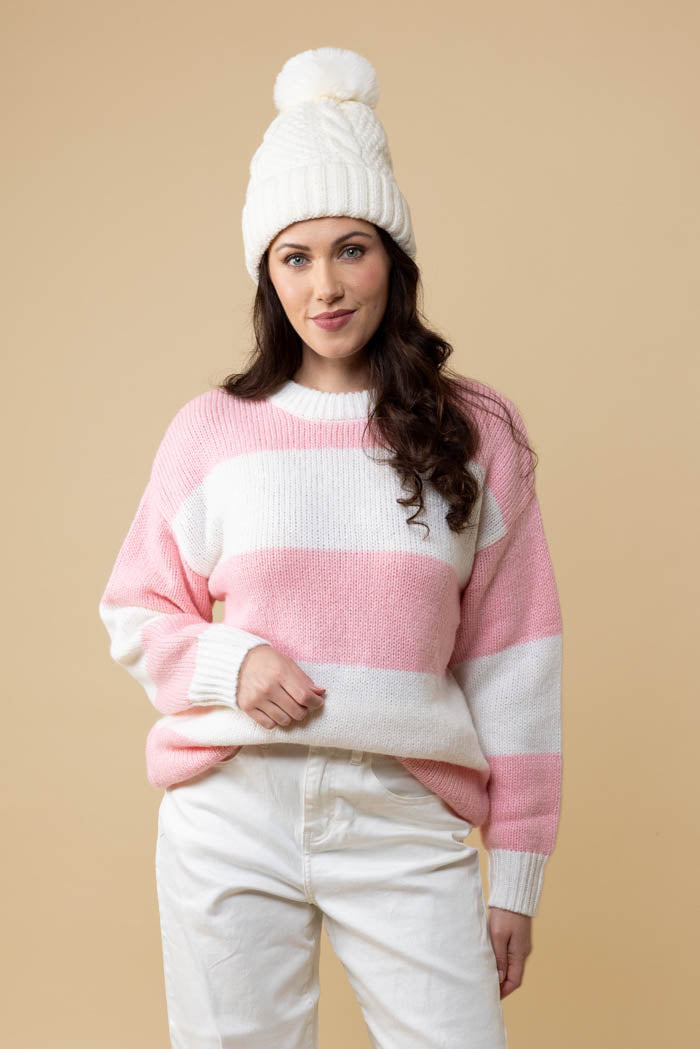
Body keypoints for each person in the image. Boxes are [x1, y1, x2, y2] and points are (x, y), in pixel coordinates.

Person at [98, 46, 563, 1049]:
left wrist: (517, 873)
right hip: (232, 808)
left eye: (351, 248)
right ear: (267, 275)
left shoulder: (477, 431)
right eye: (295, 258)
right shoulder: (213, 430)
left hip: (404, 810)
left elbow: (516, 657)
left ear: (393, 256)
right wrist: (229, 662)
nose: (327, 286)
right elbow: (135, 608)